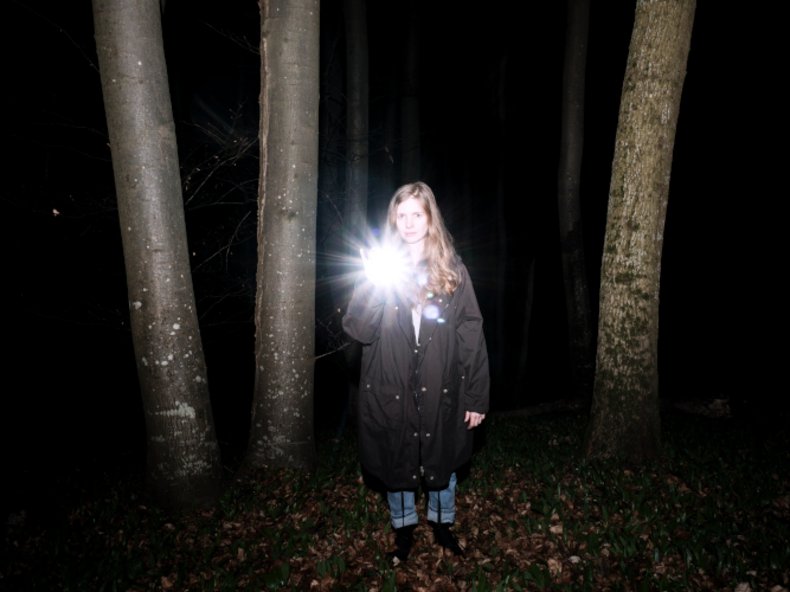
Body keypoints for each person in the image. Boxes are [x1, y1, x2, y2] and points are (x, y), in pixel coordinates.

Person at [342, 181, 490, 564]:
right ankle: (403, 532)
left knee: (442, 455)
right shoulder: (381, 270)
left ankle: (442, 526)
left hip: (442, 385)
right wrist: (371, 282)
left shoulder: (452, 271)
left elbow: (471, 333)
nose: (408, 223)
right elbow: (359, 329)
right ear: (394, 220)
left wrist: (476, 395)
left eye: (416, 214)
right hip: (390, 386)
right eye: (401, 215)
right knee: (397, 457)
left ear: (429, 219)